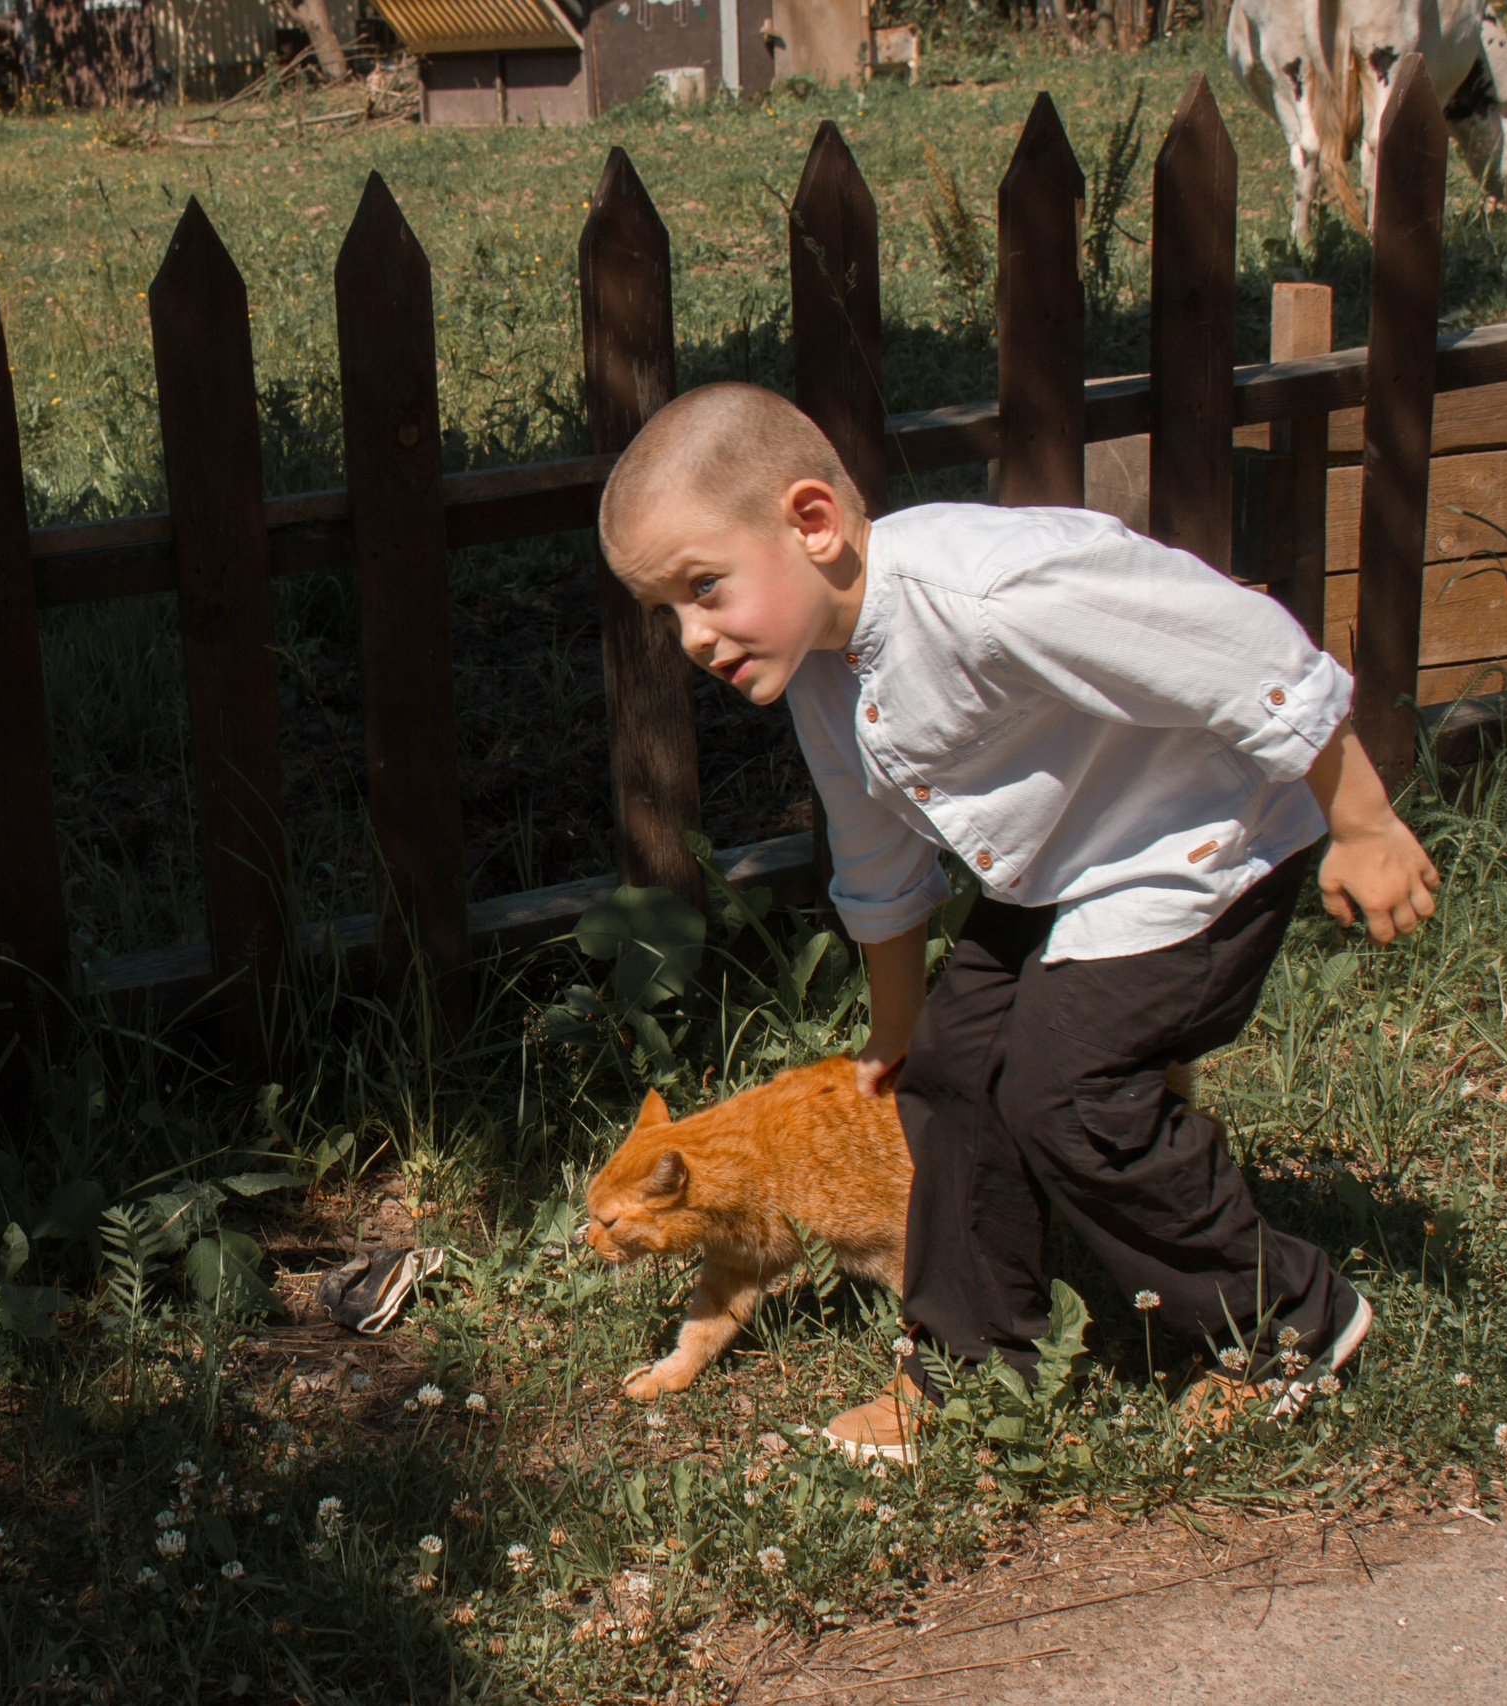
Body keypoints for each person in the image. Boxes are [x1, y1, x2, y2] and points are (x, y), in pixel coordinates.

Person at [597, 383, 1439, 1464]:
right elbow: (875, 854)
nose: (692, 637)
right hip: (1067, 873)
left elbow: (1242, 647)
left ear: (811, 523)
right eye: (669, 612)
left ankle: (1287, 1323)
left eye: (703, 590)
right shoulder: (818, 668)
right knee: (948, 1078)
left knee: (1066, 1093)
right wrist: (899, 1026)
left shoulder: (990, 589)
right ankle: (967, 1366)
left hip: (1204, 847)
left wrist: (1361, 823)